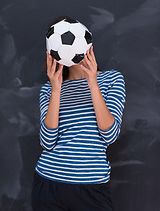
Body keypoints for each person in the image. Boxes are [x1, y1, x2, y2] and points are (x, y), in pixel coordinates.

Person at [31, 15, 126, 211]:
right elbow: (47, 141)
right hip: (49, 183)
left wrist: (92, 81)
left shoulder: (112, 80)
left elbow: (109, 134)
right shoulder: (48, 90)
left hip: (92, 187)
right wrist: (56, 89)